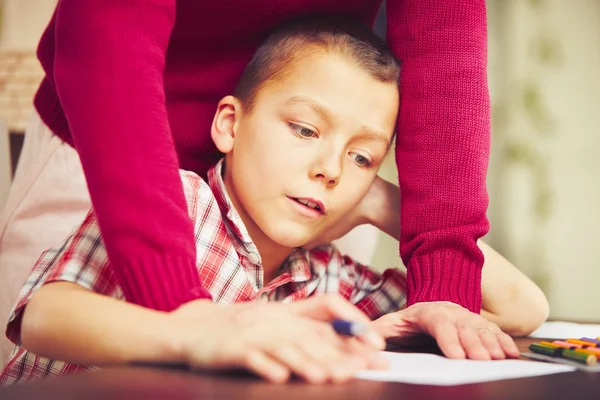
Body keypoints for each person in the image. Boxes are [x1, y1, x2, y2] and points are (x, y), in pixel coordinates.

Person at [0, 17, 548, 386]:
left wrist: (378, 201)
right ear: (229, 124)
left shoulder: (327, 279)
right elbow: (42, 318)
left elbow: (522, 308)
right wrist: (190, 335)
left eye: (361, 157)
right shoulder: (181, 205)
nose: (330, 170)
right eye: (306, 130)